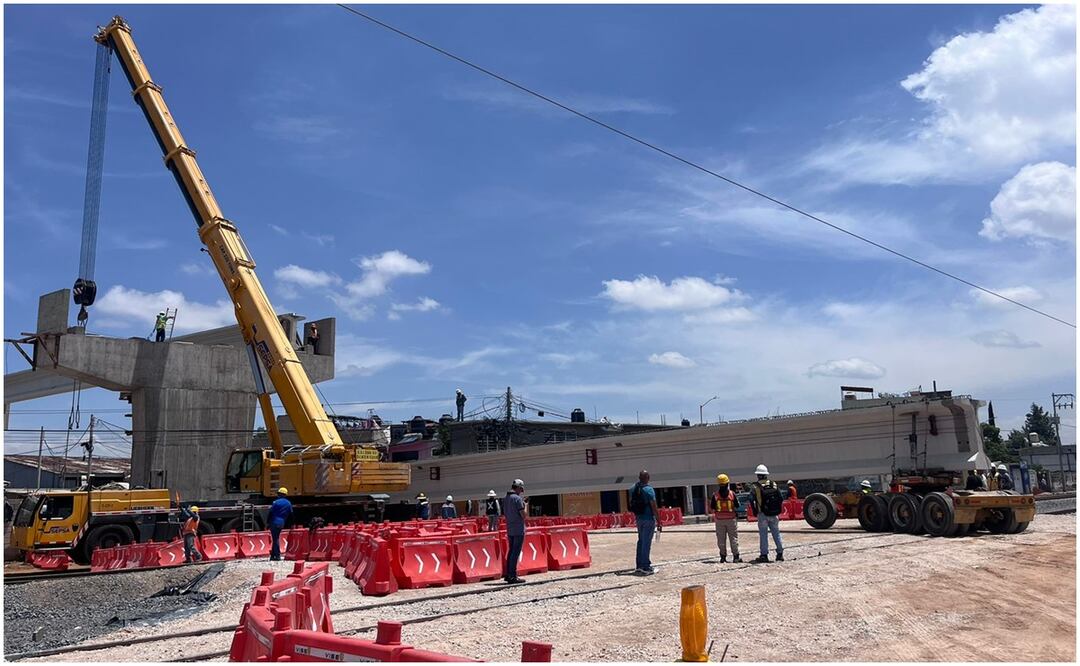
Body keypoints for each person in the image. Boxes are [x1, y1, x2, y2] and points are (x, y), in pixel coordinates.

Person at [749, 464, 784, 564]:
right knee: (776, 533)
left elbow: (751, 499)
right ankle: (780, 553)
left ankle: (764, 555)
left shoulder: (755, 486)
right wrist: (777, 509)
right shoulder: (774, 484)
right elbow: (781, 498)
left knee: (763, 535)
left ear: (758, 475)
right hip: (774, 514)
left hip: (762, 514)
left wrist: (755, 511)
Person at [630, 469, 662, 575]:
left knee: (641, 541)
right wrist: (659, 521)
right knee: (646, 542)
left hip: (639, 518)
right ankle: (646, 566)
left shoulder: (633, 488)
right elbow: (654, 506)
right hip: (648, 518)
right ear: (648, 478)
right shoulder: (649, 490)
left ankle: (639, 565)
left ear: (639, 478)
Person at [503, 479, 527, 583]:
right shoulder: (517, 499)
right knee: (515, 553)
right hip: (518, 528)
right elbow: (523, 515)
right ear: (518, 488)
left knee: (511, 551)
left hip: (510, 528)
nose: (521, 491)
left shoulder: (506, 498)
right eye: (521, 489)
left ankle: (508, 574)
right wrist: (525, 505)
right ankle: (513, 575)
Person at [712, 473, 741, 563]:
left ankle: (723, 557)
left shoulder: (715, 495)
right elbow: (737, 505)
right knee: (733, 538)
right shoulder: (732, 494)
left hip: (719, 520)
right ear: (727, 483)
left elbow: (712, 507)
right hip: (731, 519)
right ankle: (736, 557)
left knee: (721, 539)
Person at [268, 487, 293, 561]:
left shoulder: (275, 502)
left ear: (279, 494)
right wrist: (292, 524)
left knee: (275, 539)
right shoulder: (288, 503)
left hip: (274, 522)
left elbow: (270, 513)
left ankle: (277, 556)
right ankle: (272, 556)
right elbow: (291, 514)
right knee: (275, 538)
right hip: (282, 523)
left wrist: (267, 523)